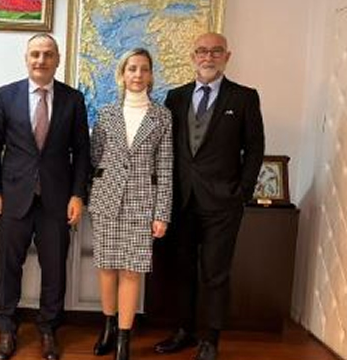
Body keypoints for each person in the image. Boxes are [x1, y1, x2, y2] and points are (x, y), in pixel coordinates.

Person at [153, 33, 265, 360]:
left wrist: (242, 192)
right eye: (202, 51)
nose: (208, 57)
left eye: (216, 51)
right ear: (193, 56)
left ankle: (210, 339)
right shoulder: (175, 97)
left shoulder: (244, 97)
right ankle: (184, 330)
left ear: (227, 57)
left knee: (215, 272)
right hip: (181, 199)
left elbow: (255, 148)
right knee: (182, 270)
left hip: (223, 202)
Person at [0, 33, 91, 360]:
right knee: (8, 267)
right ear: (26, 58)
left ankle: (48, 329)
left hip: (56, 200)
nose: (41, 60)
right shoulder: (6, 95)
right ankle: (6, 328)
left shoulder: (73, 99)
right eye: (35, 54)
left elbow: (82, 151)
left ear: (57, 59)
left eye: (47, 54)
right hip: (12, 197)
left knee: (54, 268)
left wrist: (78, 194)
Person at [88, 48, 173, 360]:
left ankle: (124, 337)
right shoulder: (106, 113)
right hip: (106, 200)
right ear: (122, 74)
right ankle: (108, 327)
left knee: (132, 271)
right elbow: (95, 156)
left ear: (151, 75)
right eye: (132, 68)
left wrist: (161, 213)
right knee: (106, 268)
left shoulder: (162, 116)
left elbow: (165, 166)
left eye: (144, 69)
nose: (138, 74)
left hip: (142, 202)